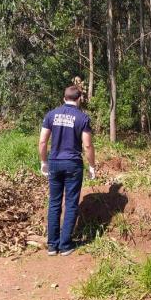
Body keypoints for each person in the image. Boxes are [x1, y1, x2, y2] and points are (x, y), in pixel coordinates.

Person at [38, 86, 96, 256]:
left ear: (64, 98)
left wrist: (43, 161)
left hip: (55, 163)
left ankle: (52, 245)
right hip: (73, 164)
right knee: (71, 203)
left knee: (54, 203)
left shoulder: (51, 115)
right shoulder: (82, 118)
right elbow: (87, 145)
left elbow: (42, 142)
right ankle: (65, 245)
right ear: (79, 99)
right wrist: (92, 165)